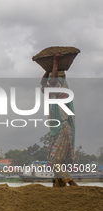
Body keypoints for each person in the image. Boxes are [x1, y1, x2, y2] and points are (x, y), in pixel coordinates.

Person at [40, 52, 78, 187]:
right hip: (56, 131)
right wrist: (47, 69)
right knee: (55, 161)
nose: (50, 82)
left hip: (63, 129)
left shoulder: (62, 93)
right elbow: (44, 84)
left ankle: (72, 184)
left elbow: (54, 81)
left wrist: (55, 62)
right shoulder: (51, 94)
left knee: (56, 162)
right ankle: (58, 187)